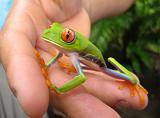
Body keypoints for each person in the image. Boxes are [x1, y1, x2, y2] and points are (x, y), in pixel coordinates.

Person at [0, 0, 148, 118]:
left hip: (99, 66)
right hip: (13, 50)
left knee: (131, 80)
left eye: (66, 36)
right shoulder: (68, 51)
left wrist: (58, 89)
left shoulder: (74, 54)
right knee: (30, 94)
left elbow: (81, 77)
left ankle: (135, 83)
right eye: (52, 27)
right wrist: (48, 65)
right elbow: (59, 54)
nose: (51, 32)